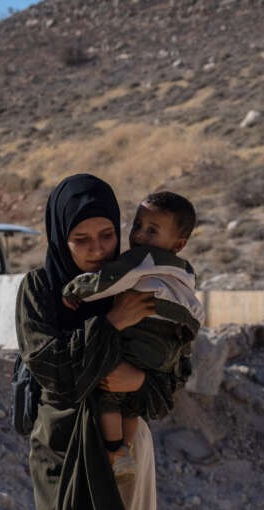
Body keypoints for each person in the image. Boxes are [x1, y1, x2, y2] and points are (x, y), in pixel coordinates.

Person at [16, 174, 188, 510]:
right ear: (59, 238)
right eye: (81, 240)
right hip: (63, 446)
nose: (95, 251)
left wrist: (139, 380)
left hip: (127, 450)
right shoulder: (41, 291)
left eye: (106, 237)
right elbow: (53, 374)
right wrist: (108, 325)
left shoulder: (142, 281)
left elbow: (171, 378)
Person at [61, 191, 202, 478]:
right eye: (137, 226)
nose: (139, 235)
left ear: (179, 242)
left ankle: (115, 449)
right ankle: (127, 448)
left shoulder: (141, 258)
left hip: (144, 332)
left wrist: (75, 290)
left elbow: (110, 281)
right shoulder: (185, 270)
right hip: (171, 343)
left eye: (152, 230)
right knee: (132, 405)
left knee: (109, 391)